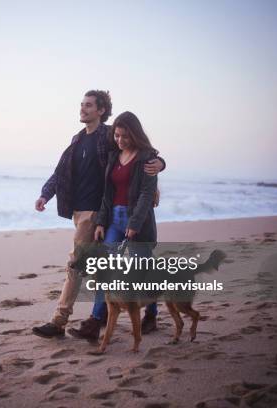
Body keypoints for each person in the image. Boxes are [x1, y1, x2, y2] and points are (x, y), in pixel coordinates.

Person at [32, 91, 165, 339]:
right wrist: (45, 195)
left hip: (98, 212)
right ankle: (113, 314)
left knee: (76, 265)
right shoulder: (77, 139)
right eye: (81, 104)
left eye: (89, 105)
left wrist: (160, 163)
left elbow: (137, 152)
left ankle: (61, 322)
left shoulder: (107, 135)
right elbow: (61, 172)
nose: (82, 109)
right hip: (84, 211)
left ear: (101, 110)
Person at [68, 111, 159, 341]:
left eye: (125, 136)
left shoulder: (147, 158)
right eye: (117, 136)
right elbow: (107, 195)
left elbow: (147, 195)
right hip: (113, 222)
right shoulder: (113, 156)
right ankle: (95, 321)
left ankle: (151, 313)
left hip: (138, 222)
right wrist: (100, 222)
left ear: (135, 135)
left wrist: (135, 223)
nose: (120, 140)